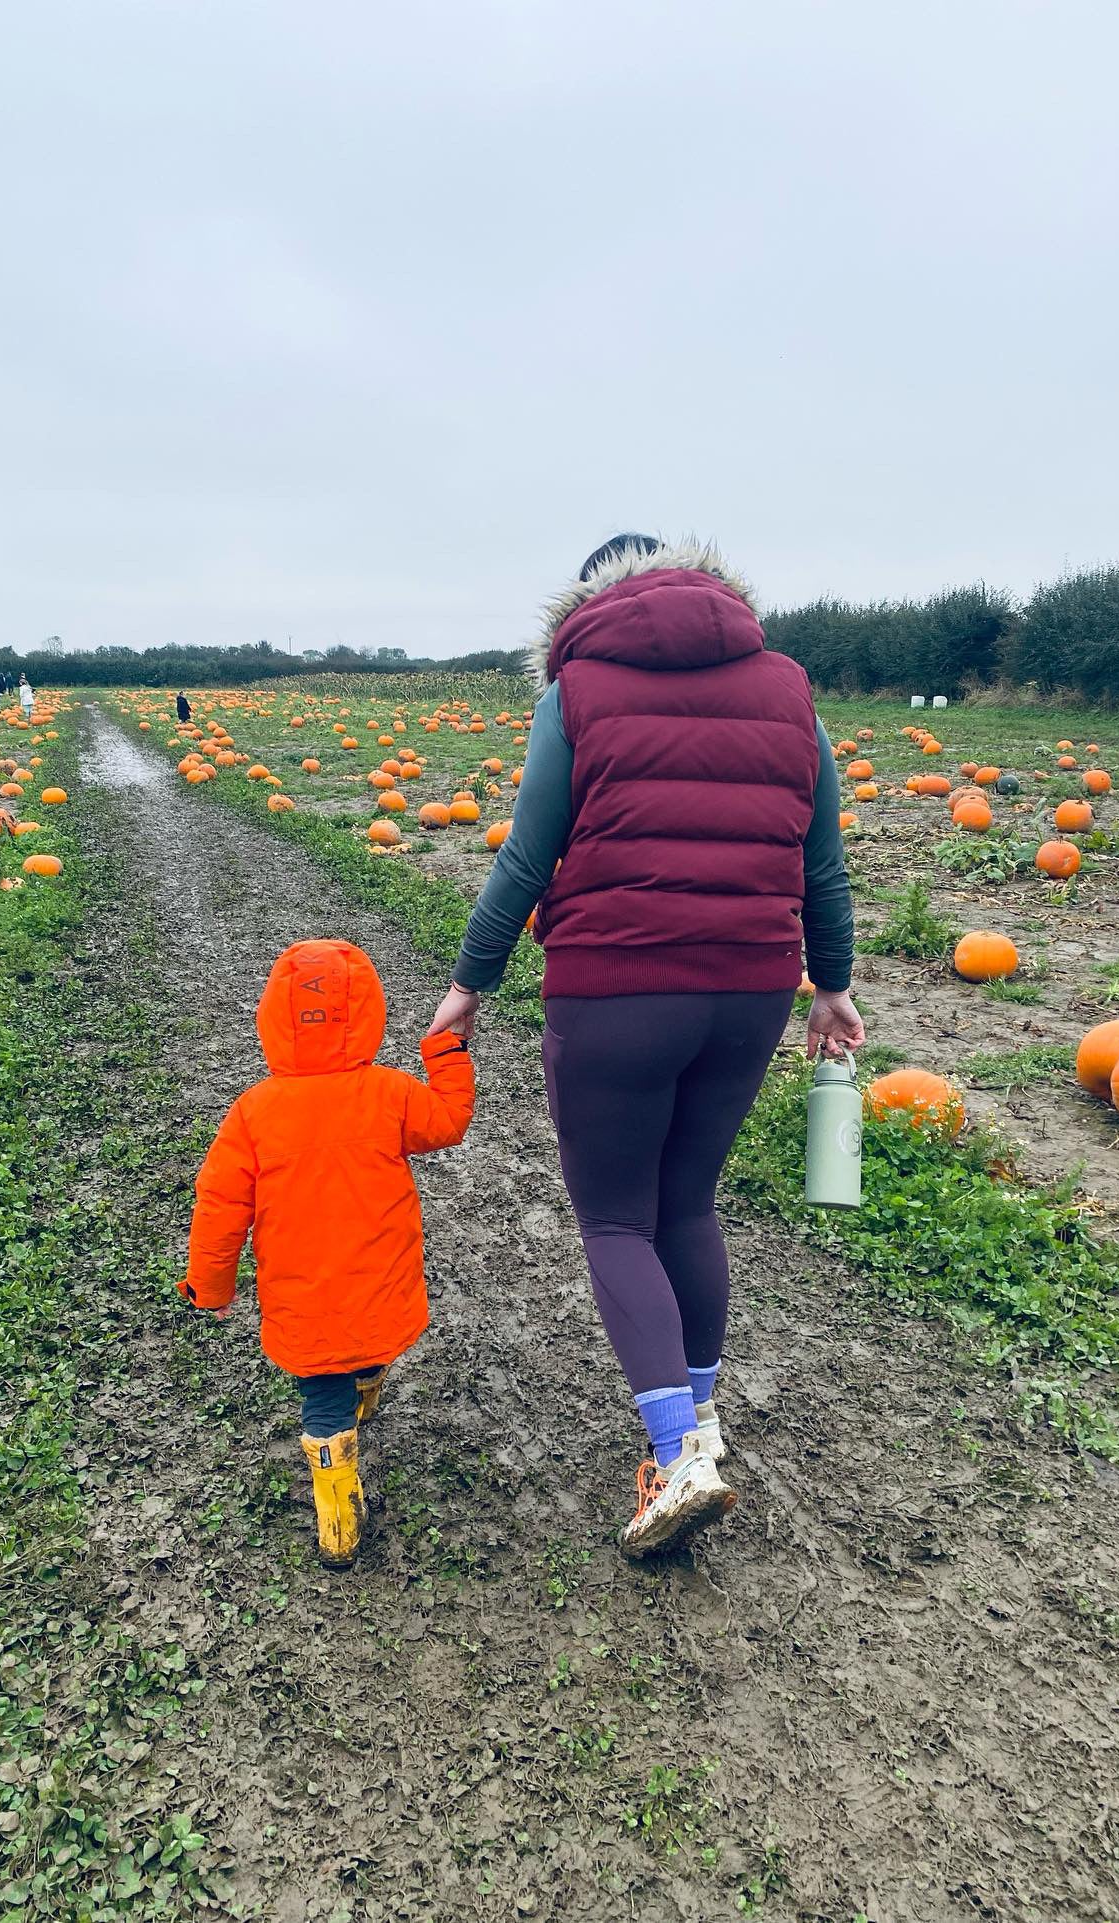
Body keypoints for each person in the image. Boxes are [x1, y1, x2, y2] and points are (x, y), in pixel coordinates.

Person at [429, 534, 863, 1559]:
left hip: (618, 985)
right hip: (750, 986)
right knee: (689, 1204)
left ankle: (677, 1453)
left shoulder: (577, 689)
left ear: (587, 598)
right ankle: (699, 1430)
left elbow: (528, 857)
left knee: (617, 1218)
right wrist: (831, 987)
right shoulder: (787, 687)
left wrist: (468, 985)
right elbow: (825, 862)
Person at [178, 939, 475, 1568]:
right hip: (377, 1285)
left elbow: (219, 1207)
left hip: (304, 1299)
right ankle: (363, 1395)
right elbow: (449, 1120)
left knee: (323, 1394)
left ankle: (337, 1519)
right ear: (366, 1013)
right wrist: (447, 1049)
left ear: (272, 1021)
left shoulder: (253, 1114)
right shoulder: (389, 1094)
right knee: (367, 1344)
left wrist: (212, 1287)